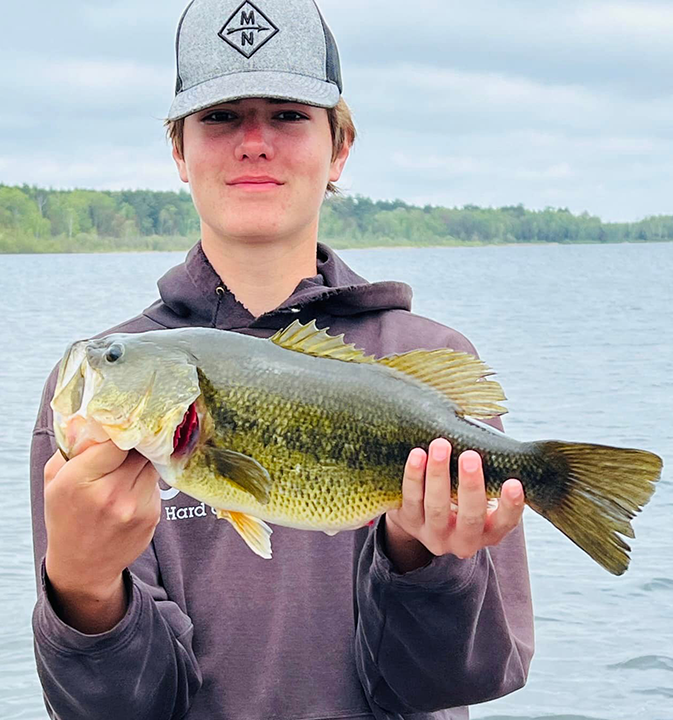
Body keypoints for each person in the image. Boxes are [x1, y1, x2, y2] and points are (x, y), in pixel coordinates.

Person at [30, 1, 534, 718]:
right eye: (221, 116)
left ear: (341, 146)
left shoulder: (427, 358)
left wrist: (420, 558)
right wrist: (80, 586)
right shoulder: (92, 404)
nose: (255, 141)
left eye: (290, 114)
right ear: (178, 149)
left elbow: (458, 680)